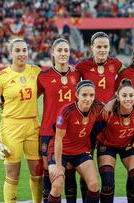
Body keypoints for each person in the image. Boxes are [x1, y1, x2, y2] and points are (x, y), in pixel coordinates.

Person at [0, 38, 42, 203]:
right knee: (12, 173)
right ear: (10, 53)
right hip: (11, 127)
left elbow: (41, 92)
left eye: (24, 50)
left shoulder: (36, 71)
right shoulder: (0, 77)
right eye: (17, 50)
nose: (21, 54)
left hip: (33, 125)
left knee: (38, 172)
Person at [75, 31, 123, 201]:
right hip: (87, 123)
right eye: (99, 47)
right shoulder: (82, 66)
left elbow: (123, 88)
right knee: (85, 168)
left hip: (108, 123)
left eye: (105, 47)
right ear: (92, 48)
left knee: (107, 174)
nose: (102, 50)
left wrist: (114, 100)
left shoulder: (116, 64)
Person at [37, 38, 81, 203]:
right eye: (60, 50)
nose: (63, 53)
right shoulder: (43, 76)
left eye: (66, 50)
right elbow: (30, 97)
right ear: (53, 53)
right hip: (48, 130)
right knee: (49, 172)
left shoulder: (77, 74)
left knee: (69, 172)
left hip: (70, 132)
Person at [47, 80, 102, 203]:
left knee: (93, 185)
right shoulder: (67, 111)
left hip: (80, 150)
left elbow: (113, 105)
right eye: (84, 95)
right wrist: (59, 166)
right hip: (61, 150)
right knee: (57, 184)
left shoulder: (97, 107)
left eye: (91, 95)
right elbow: (58, 139)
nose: (88, 99)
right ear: (77, 95)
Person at [97, 79, 134, 203]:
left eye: (131, 95)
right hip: (107, 146)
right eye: (124, 95)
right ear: (118, 97)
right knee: (107, 183)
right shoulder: (106, 111)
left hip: (128, 144)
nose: (128, 99)